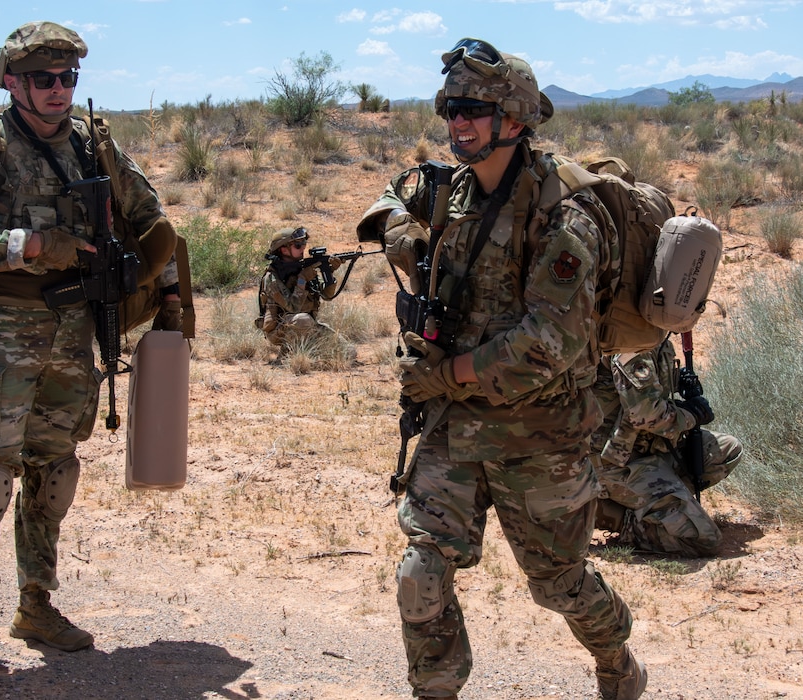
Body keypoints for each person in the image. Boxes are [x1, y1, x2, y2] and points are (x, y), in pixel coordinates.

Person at [356, 39, 645, 699]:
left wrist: (443, 373)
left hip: (539, 436)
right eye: (450, 108)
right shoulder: (447, 189)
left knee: (559, 586)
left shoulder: (563, 213)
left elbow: (548, 345)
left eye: (474, 110)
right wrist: (398, 234)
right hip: (456, 426)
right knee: (419, 570)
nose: (458, 122)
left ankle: (616, 664)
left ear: (514, 120)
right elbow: (388, 205)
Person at [0, 21, 178, 691]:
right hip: (1, 330)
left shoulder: (94, 145)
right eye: (44, 78)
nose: (60, 89)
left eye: (69, 78)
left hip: (75, 331)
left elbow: (148, 215)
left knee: (54, 476)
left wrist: (166, 291)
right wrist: (34, 245)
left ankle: (35, 606)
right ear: (11, 80)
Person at [591, 338, 742, 557]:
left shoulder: (656, 339)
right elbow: (645, 415)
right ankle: (610, 514)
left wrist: (676, 381)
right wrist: (691, 415)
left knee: (727, 450)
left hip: (649, 448)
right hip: (617, 462)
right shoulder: (631, 342)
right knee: (702, 540)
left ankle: (664, 505)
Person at [256, 226, 344, 349]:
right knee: (302, 320)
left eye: (303, 243)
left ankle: (309, 350)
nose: (303, 247)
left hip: (307, 326)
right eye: (297, 245)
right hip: (280, 330)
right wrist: (302, 279)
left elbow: (327, 295)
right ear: (284, 250)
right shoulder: (272, 277)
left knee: (347, 351)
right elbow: (293, 308)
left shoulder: (302, 268)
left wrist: (329, 272)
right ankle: (288, 353)